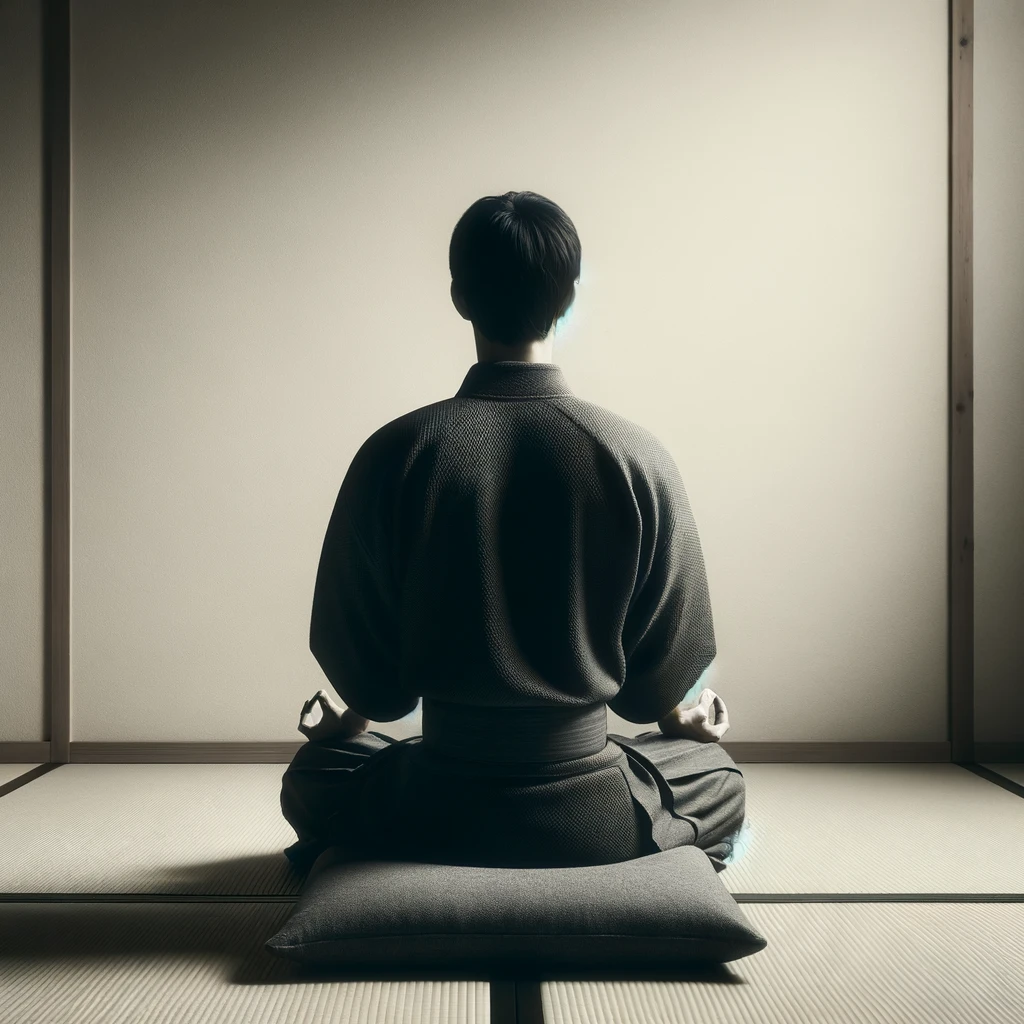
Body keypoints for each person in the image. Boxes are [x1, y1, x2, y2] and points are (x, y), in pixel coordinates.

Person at [280, 191, 748, 874]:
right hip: (598, 816)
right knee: (717, 778)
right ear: (568, 295)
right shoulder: (635, 456)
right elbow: (657, 686)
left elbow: (372, 678)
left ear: (459, 295)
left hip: (432, 807)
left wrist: (344, 726)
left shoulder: (397, 451)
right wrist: (684, 724)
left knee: (315, 776)